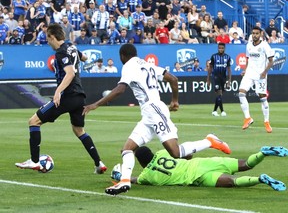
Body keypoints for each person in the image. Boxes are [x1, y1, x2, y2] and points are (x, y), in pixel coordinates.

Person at [82, 43, 231, 195]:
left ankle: (210, 141)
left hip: (154, 110)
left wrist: (96, 104)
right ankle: (124, 182)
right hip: (148, 114)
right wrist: (174, 100)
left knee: (175, 152)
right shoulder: (148, 64)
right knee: (127, 149)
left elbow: (120, 89)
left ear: (122, 56)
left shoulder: (128, 66)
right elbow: (173, 79)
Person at [15, 23, 107, 175]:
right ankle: (99, 163)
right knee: (79, 130)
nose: (47, 42)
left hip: (67, 96)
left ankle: (35, 161)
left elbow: (69, 73)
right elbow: (84, 57)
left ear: (52, 37)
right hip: (79, 97)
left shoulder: (60, 52)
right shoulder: (71, 47)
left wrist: (58, 91)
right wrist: (80, 59)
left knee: (33, 121)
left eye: (47, 38)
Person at [111, 145, 287, 191]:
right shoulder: (162, 152)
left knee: (232, 183)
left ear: (141, 163)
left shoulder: (146, 176)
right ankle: (263, 153)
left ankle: (261, 179)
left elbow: (132, 180)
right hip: (202, 163)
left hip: (196, 178)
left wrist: (120, 176)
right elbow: (186, 154)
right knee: (244, 164)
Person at [238, 26, 274, 133]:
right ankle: (248, 118)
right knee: (241, 93)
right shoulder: (249, 45)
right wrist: (245, 70)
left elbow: (271, 61)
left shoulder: (264, 46)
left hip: (260, 75)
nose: (254, 35)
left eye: (257, 33)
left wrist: (264, 72)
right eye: (253, 33)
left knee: (262, 97)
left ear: (261, 34)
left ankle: (266, 122)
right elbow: (248, 59)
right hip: (249, 73)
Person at [207, 42, 231, 117]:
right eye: (219, 48)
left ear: (224, 48)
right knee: (219, 92)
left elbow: (229, 69)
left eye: (222, 48)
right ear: (218, 48)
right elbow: (210, 68)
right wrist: (208, 79)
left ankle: (214, 111)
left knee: (220, 95)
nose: (220, 49)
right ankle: (222, 111)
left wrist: (229, 80)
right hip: (216, 76)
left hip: (223, 77)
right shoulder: (214, 56)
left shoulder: (227, 57)